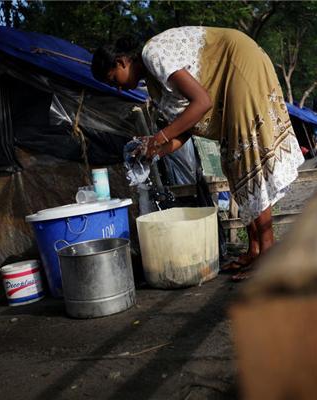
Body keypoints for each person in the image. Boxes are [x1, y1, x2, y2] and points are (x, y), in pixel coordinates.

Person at [92, 27, 305, 281]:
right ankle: (255, 248)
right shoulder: (154, 85)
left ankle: (268, 251)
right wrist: (155, 151)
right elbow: (186, 128)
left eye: (113, 80)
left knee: (246, 154)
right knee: (232, 161)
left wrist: (159, 137)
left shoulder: (152, 54)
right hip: (226, 81)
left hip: (237, 61)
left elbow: (202, 102)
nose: (118, 89)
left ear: (121, 61)